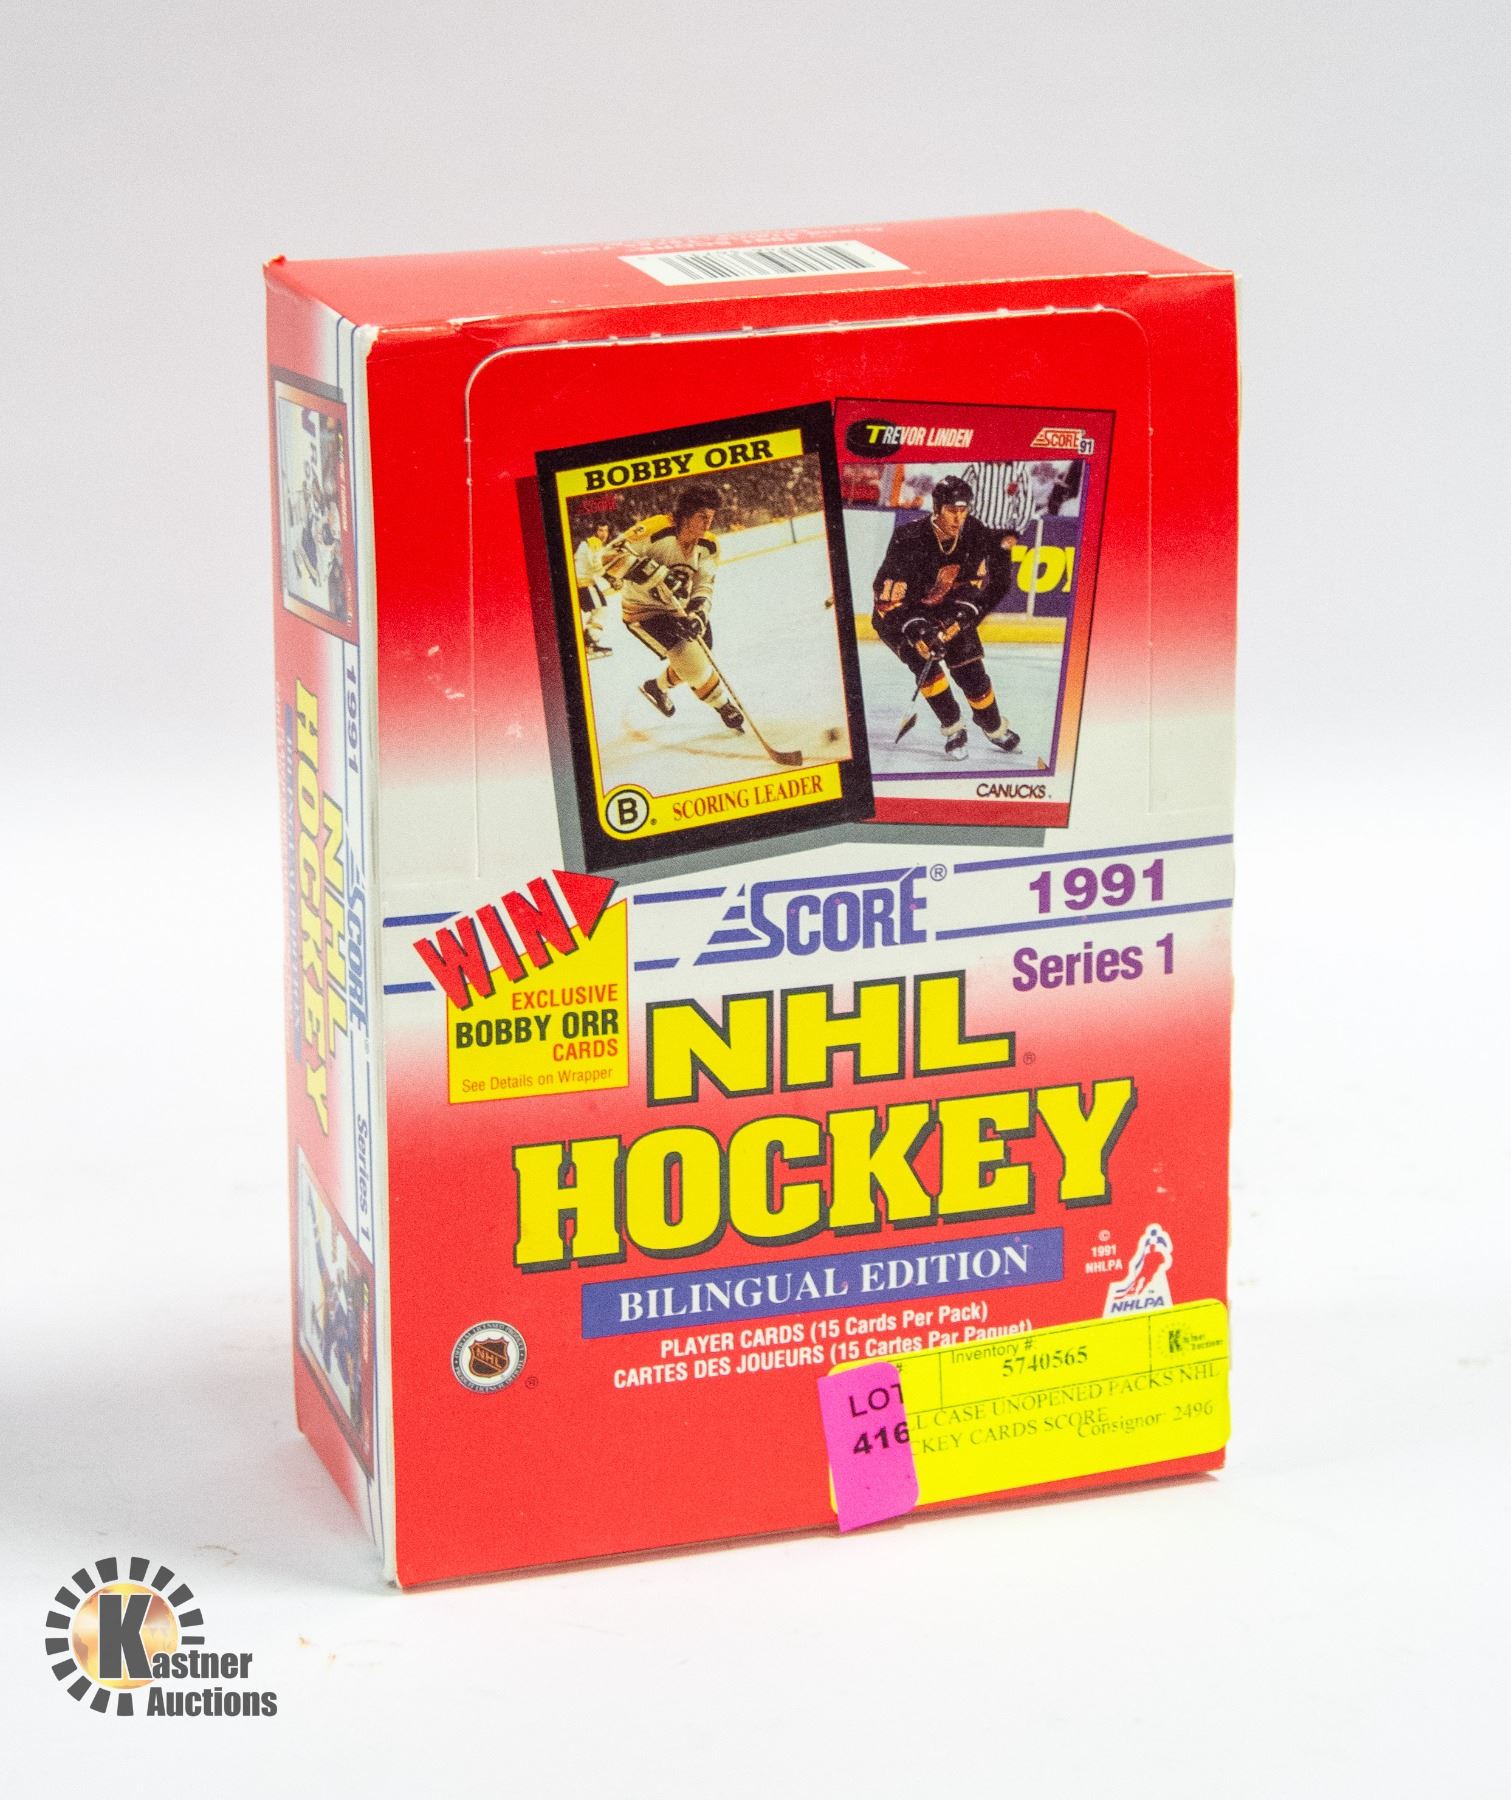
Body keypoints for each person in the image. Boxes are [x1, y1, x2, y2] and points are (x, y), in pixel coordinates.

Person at [871, 475, 1021, 758]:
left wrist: (963, 613)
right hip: (898, 614)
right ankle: (953, 727)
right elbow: (888, 596)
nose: (958, 517)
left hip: (944, 607)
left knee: (970, 669)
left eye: (963, 510)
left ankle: (993, 726)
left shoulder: (973, 532)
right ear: (937, 508)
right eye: (952, 510)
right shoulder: (908, 538)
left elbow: (974, 585)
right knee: (926, 665)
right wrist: (918, 630)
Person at [610, 483, 744, 734]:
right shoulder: (656, 529)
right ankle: (723, 705)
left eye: (711, 517)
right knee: (694, 665)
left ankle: (657, 687)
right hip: (644, 612)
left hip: (680, 608)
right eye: (702, 516)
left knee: (700, 657)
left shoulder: (709, 545)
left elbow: (704, 584)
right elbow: (609, 556)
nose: (708, 523)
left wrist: (698, 614)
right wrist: (656, 574)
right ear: (686, 514)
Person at [573, 527, 616, 657]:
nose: (604, 534)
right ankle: (590, 643)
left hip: (581, 580)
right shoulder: (594, 542)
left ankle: (587, 642)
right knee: (601, 609)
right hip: (584, 582)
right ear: (595, 532)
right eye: (601, 530)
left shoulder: (587, 543)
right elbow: (596, 564)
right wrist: (609, 577)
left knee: (597, 610)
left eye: (606, 531)